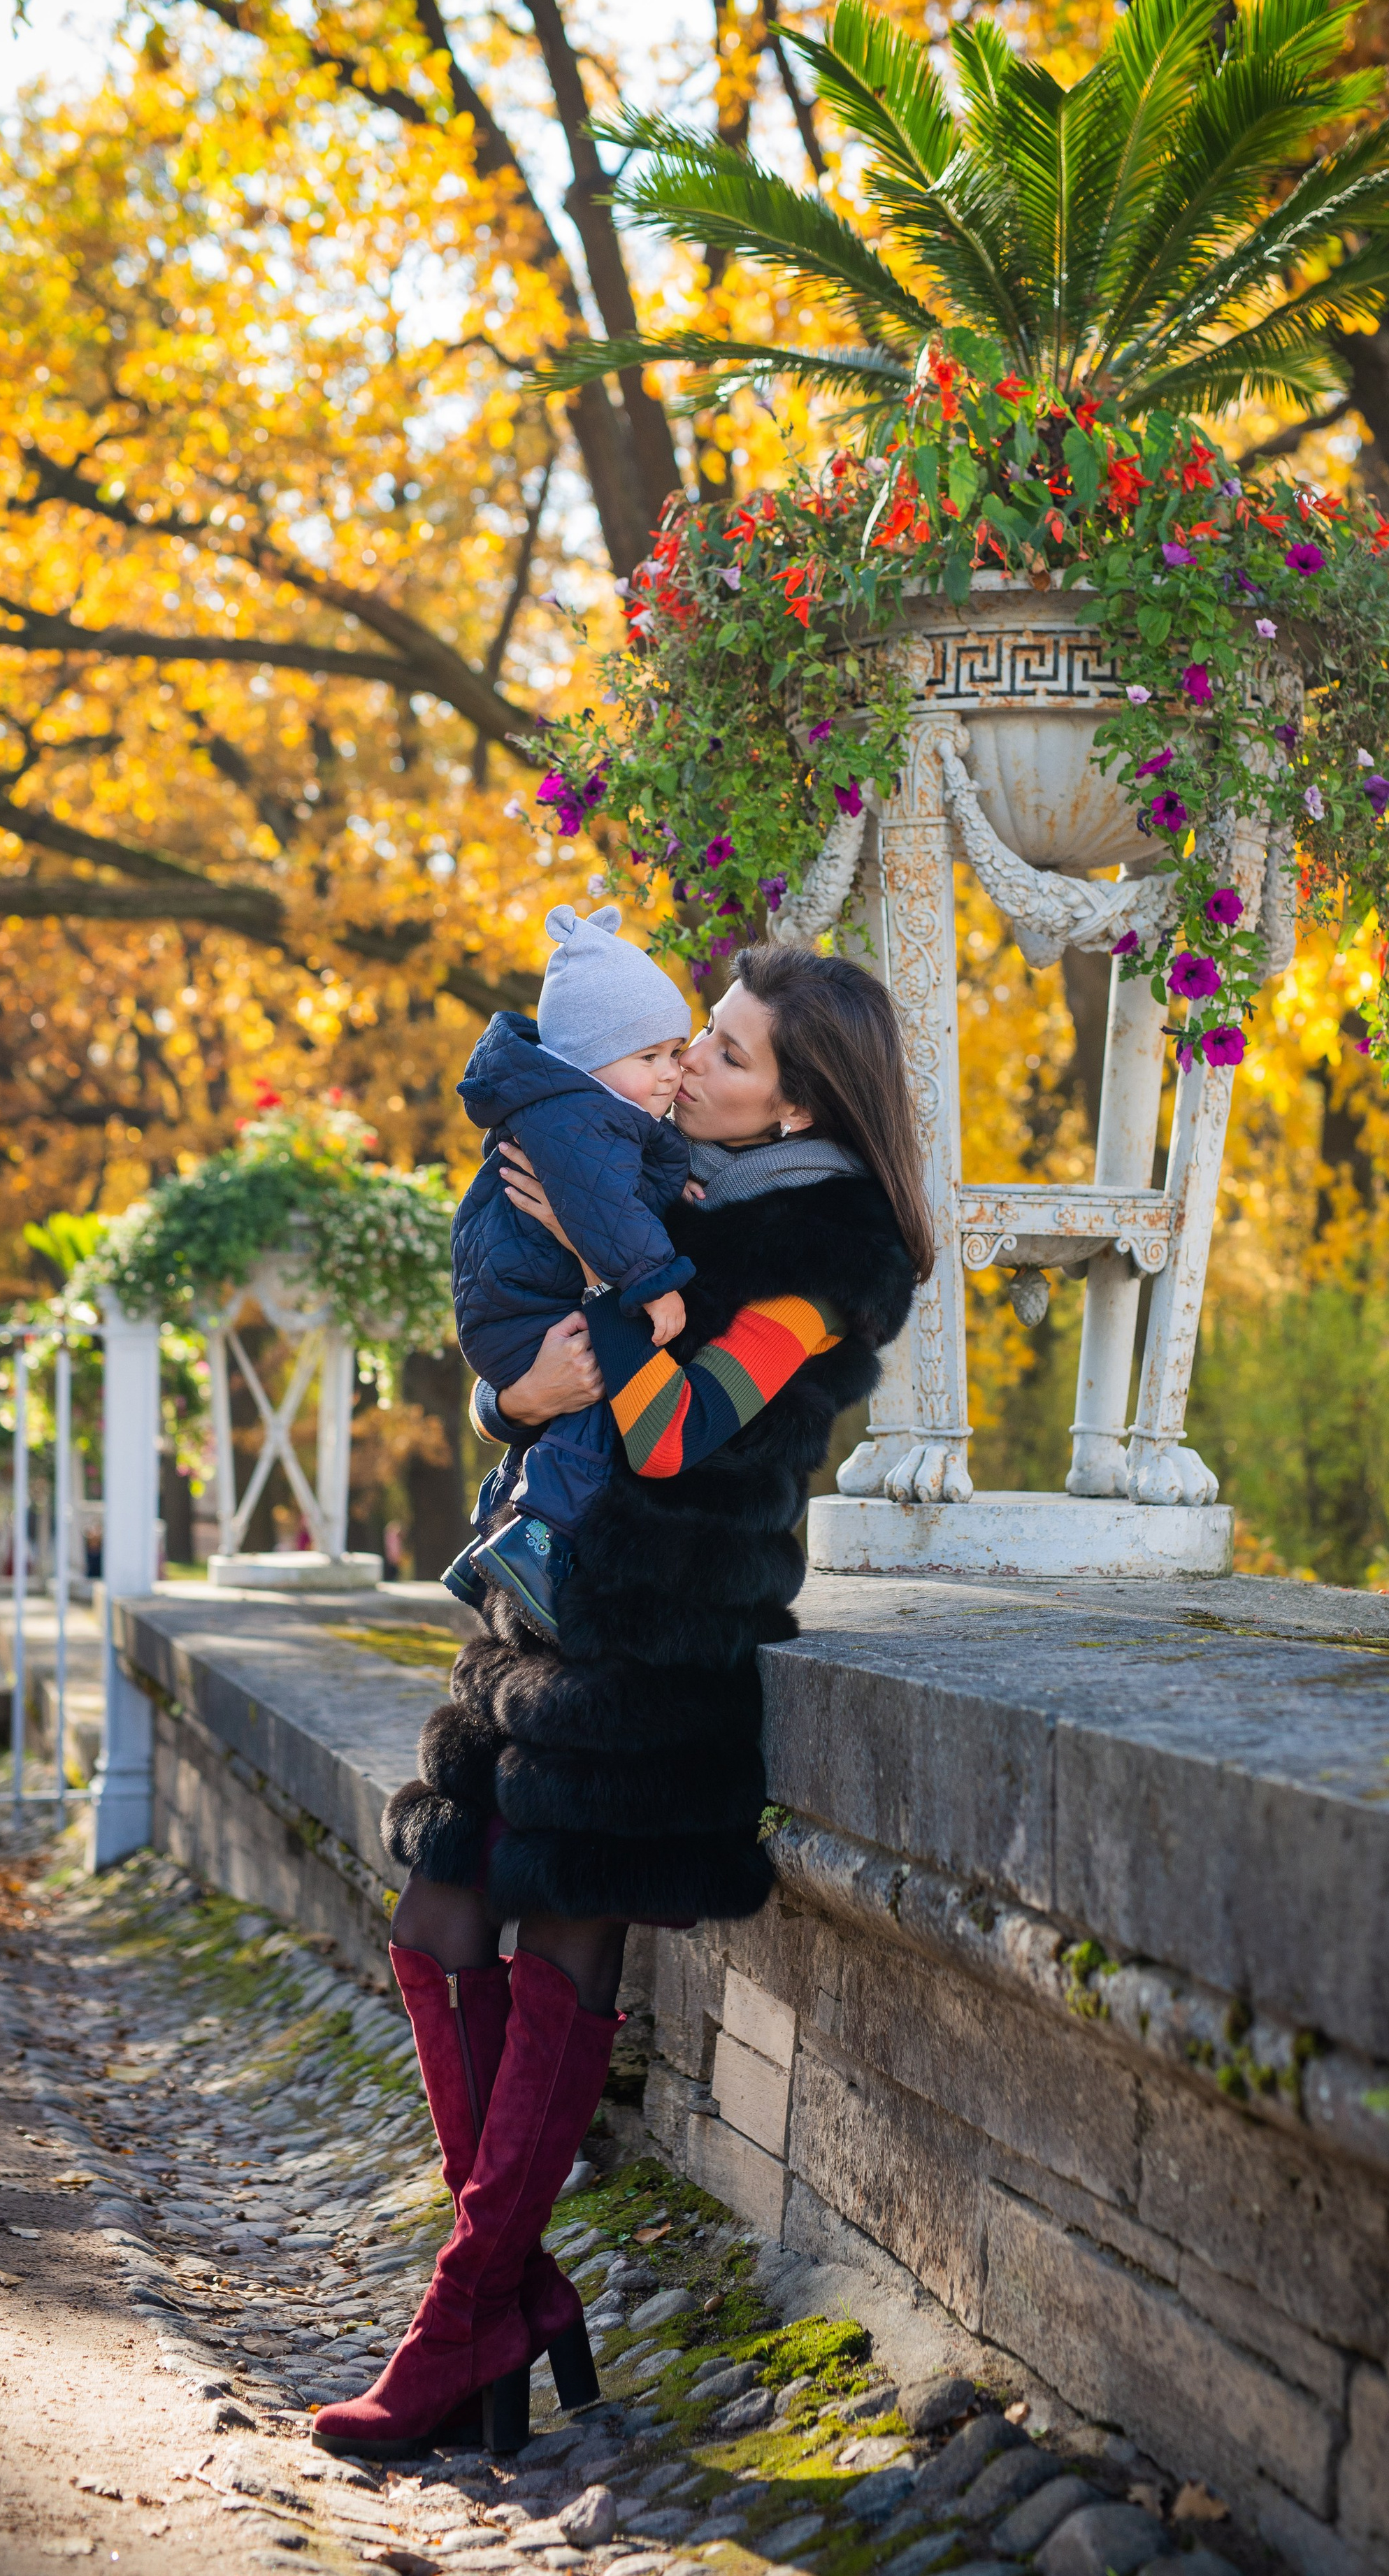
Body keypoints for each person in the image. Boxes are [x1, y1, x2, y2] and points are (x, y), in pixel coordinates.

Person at [311, 945, 933, 2463]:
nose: (686, 1068)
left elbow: (665, 1433)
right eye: (692, 1042)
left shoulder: (826, 1253)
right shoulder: (675, 1178)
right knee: (433, 1926)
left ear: (799, 1098)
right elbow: (534, 1364)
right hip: (536, 1615)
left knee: (554, 1950)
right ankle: (511, 2294)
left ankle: (461, 2319)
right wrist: (503, 1395)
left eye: (721, 1053)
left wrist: (611, 1270)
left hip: (655, 1650)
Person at [447, 902, 698, 1638]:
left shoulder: (575, 1110)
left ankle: (493, 1529)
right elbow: (604, 1212)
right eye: (648, 1058)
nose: (671, 1076)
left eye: (676, 1052)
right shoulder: (575, 1118)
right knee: (596, 1392)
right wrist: (655, 1281)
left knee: (584, 1392)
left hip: (515, 1306)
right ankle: (534, 1536)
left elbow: (612, 1198)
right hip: (524, 1310)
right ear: (589, 1062)